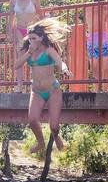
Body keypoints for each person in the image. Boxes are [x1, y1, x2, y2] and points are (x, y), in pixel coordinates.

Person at [13, 18, 71, 153]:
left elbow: (59, 62)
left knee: (54, 126)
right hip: (36, 91)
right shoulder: (28, 50)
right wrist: (29, 53)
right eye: (29, 38)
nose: (31, 41)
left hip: (52, 90)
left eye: (34, 38)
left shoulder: (49, 50)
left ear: (41, 38)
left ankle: (57, 139)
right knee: (32, 120)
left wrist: (65, 69)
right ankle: (40, 142)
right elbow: (16, 65)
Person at [6, 0, 42, 91]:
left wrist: (42, 31)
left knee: (34, 56)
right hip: (19, 31)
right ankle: (19, 85)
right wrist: (9, 33)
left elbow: (40, 15)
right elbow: (11, 19)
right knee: (20, 57)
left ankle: (34, 83)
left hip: (33, 31)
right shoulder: (13, 1)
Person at [85, 0, 108, 82]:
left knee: (94, 67)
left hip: (91, 38)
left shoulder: (88, 7)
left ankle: (97, 88)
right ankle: (105, 86)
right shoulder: (105, 7)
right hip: (102, 37)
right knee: (105, 66)